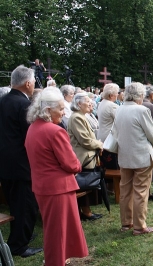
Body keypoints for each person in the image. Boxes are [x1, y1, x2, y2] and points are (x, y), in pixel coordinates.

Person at [25, 88, 88, 266]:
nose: (64, 112)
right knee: (58, 232)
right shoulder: (55, 131)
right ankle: (55, 262)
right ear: (47, 110)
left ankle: (58, 259)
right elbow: (71, 164)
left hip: (43, 186)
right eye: (60, 108)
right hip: (58, 188)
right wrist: (77, 165)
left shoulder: (33, 128)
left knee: (55, 229)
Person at [0, 65, 42, 258]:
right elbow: (30, 136)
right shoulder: (24, 104)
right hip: (21, 163)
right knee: (25, 204)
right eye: (33, 82)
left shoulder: (3, 100)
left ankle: (21, 234)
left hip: (5, 162)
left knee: (14, 202)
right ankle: (18, 245)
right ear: (27, 83)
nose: (34, 85)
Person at [114, 82, 153, 235]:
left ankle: (126, 223)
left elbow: (115, 132)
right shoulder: (141, 110)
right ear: (140, 96)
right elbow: (152, 134)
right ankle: (140, 226)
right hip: (141, 156)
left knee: (125, 189)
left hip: (124, 155)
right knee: (141, 190)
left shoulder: (119, 109)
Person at [68, 92, 104, 220]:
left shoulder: (81, 116)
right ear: (79, 104)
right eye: (87, 102)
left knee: (87, 186)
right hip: (83, 157)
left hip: (87, 155)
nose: (91, 103)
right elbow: (85, 140)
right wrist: (99, 144)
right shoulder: (77, 117)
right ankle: (85, 212)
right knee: (84, 184)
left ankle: (86, 210)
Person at [97, 83, 119, 169]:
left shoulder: (102, 103)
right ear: (111, 95)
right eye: (116, 93)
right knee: (113, 167)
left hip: (102, 137)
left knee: (105, 166)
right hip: (110, 140)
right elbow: (120, 120)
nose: (118, 94)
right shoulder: (112, 106)